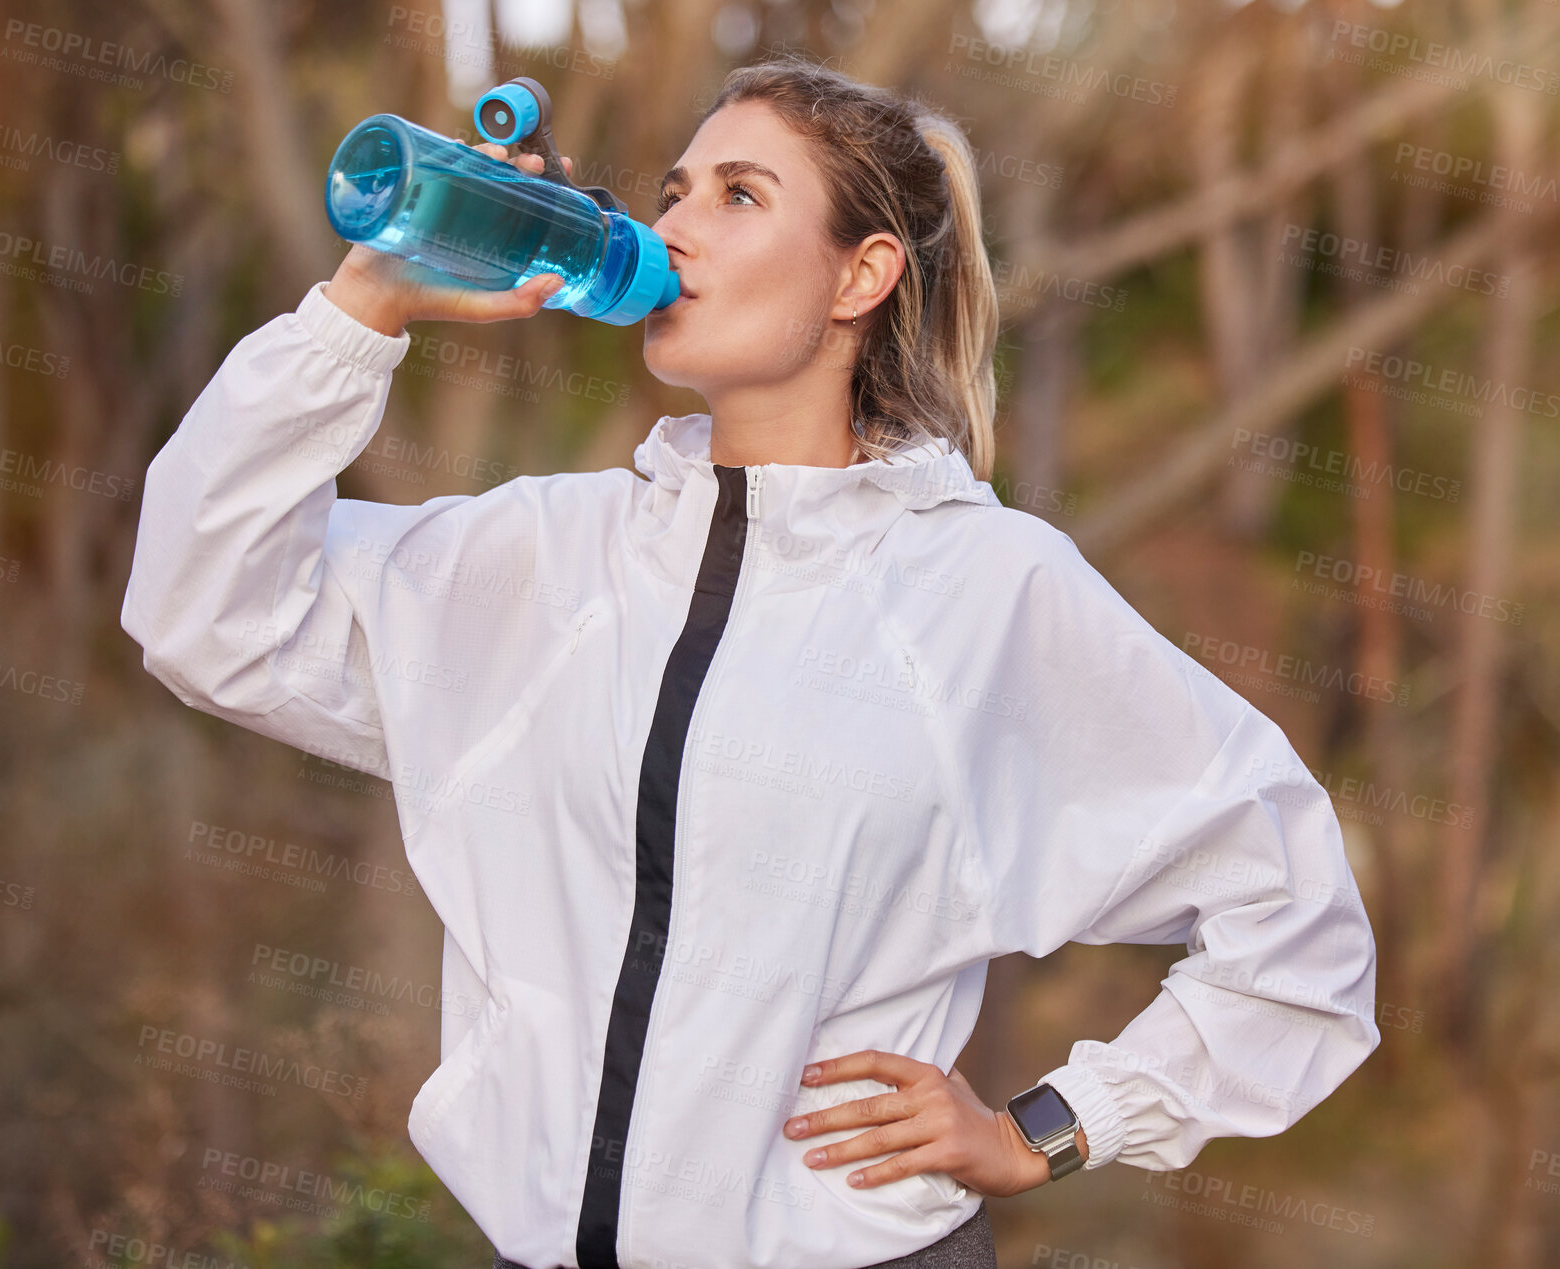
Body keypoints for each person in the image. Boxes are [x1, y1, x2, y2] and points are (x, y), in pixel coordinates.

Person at [121, 53, 1380, 1269]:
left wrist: (1044, 1130)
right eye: (673, 190)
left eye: (738, 195)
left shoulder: (989, 592)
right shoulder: (540, 557)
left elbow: (1293, 916)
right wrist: (360, 312)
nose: (678, 228)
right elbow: (204, 612)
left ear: (860, 276)